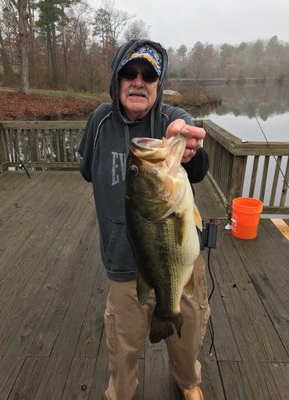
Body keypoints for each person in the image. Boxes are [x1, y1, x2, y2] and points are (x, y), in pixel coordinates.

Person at [78, 39, 210, 400]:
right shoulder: (99, 121)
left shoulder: (171, 120)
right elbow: (87, 170)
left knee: (187, 334)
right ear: (117, 80)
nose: (138, 82)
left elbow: (195, 162)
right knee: (123, 347)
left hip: (177, 263)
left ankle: (188, 382)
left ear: (158, 83)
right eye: (129, 73)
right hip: (121, 263)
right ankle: (120, 393)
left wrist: (188, 146)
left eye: (148, 75)